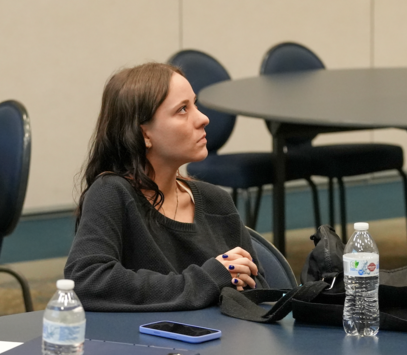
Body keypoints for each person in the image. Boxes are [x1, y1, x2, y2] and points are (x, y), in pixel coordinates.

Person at [64, 62, 267, 311]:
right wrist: (207, 280)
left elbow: (258, 290)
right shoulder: (112, 193)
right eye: (182, 109)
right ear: (144, 134)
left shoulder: (217, 201)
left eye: (195, 104)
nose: (203, 118)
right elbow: (86, 280)